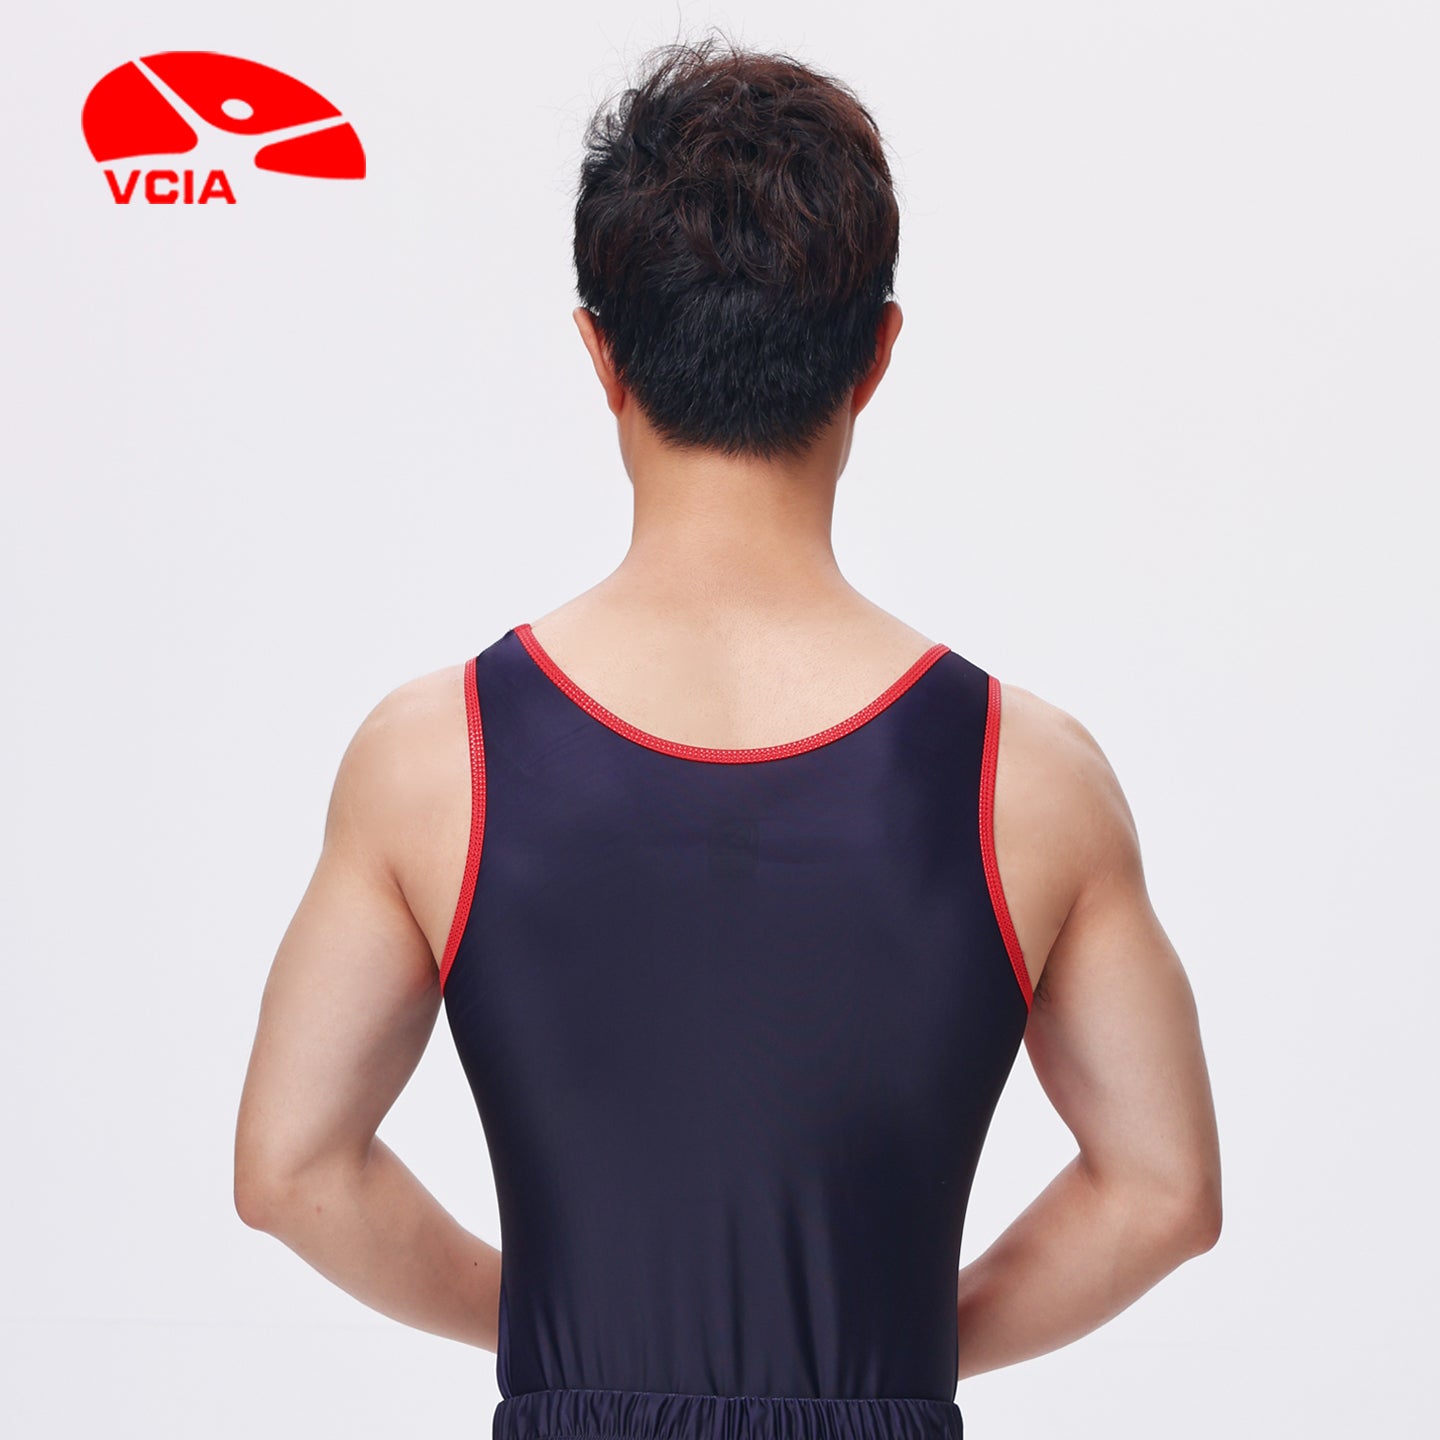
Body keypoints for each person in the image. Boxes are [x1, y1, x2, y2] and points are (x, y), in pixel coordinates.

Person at [234, 31, 1221, 1440]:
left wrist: (557, 1326)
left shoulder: (435, 754)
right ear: (875, 356)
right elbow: (1164, 1192)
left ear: (601, 356)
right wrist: (874, 1346)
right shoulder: (1029, 773)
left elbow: (290, 1168)